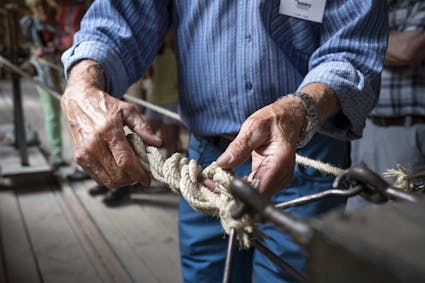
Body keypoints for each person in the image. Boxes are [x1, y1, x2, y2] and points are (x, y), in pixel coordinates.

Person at [60, 1, 388, 282]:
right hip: (205, 162)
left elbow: (352, 48)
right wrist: (83, 82)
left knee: (287, 274)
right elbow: (121, 17)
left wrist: (300, 110)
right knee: (206, 273)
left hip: (304, 152)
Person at [346, 0, 425, 212]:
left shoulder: (418, 5)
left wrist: (354, 43)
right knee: (357, 214)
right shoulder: (372, 7)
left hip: (403, 133)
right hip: (365, 130)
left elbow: (408, 49)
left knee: (399, 219)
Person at [20, 0, 66, 170]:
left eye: (45, 4)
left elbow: (68, 42)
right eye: (38, 6)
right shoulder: (29, 24)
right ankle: (57, 154)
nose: (43, 9)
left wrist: (52, 50)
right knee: (51, 114)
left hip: (63, 73)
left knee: (71, 116)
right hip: (43, 74)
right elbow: (24, 47)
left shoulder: (60, 19)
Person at [145, 29, 180, 158]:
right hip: (157, 100)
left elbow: (150, 75)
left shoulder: (175, 52)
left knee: (170, 142)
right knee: (147, 138)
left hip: (169, 100)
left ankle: (172, 171)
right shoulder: (154, 53)